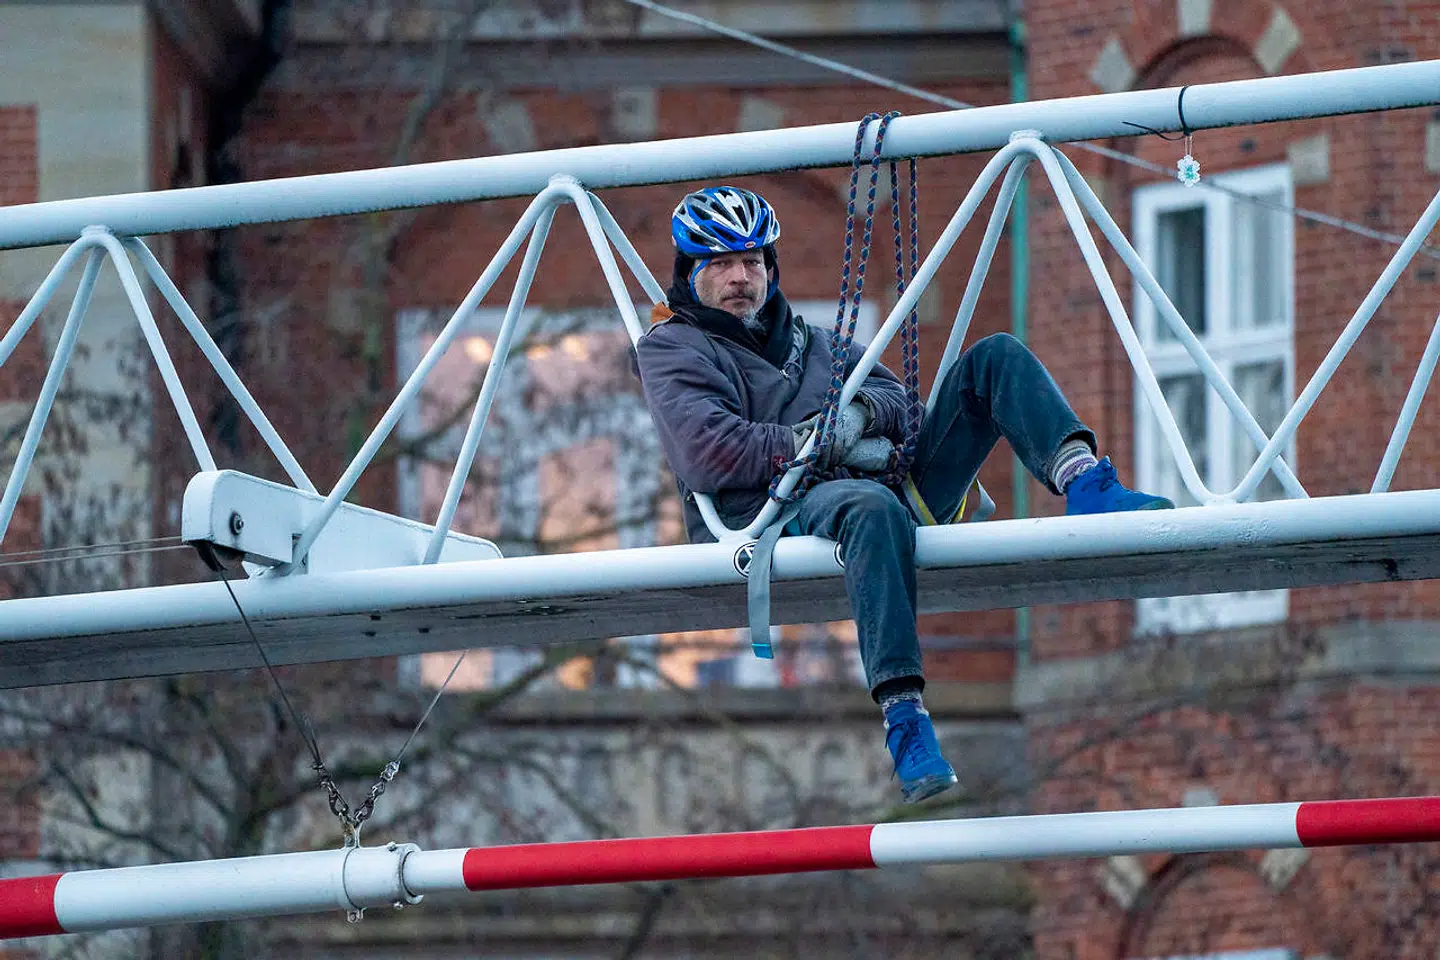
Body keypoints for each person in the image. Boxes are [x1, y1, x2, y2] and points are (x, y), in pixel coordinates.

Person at [635, 185, 1174, 804]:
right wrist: (818, 442)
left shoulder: (810, 342)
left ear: (771, 268)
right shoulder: (673, 350)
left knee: (993, 358)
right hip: (767, 518)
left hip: (887, 488)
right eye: (722, 264)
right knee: (870, 507)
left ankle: (1085, 485)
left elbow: (904, 408)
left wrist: (860, 414)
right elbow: (710, 451)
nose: (740, 278)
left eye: (752, 262)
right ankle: (905, 718)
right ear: (691, 273)